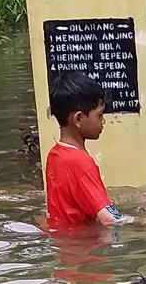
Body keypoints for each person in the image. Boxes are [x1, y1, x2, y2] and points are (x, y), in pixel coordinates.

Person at [46, 71, 129, 229]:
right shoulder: (80, 163)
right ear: (78, 119)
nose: (103, 121)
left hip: (65, 241)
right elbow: (111, 219)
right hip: (84, 243)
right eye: (99, 115)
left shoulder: (55, 155)